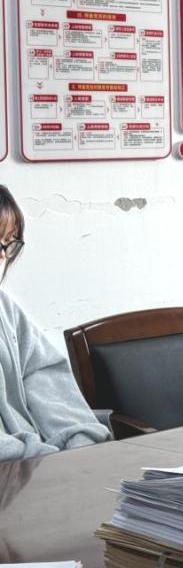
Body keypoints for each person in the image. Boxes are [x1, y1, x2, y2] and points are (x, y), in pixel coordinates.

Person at [0, 185, 110, 461]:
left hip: (37, 467)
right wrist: (45, 460)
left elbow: (43, 373)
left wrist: (79, 443)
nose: (3, 255)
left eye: (8, 242)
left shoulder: (5, 308)